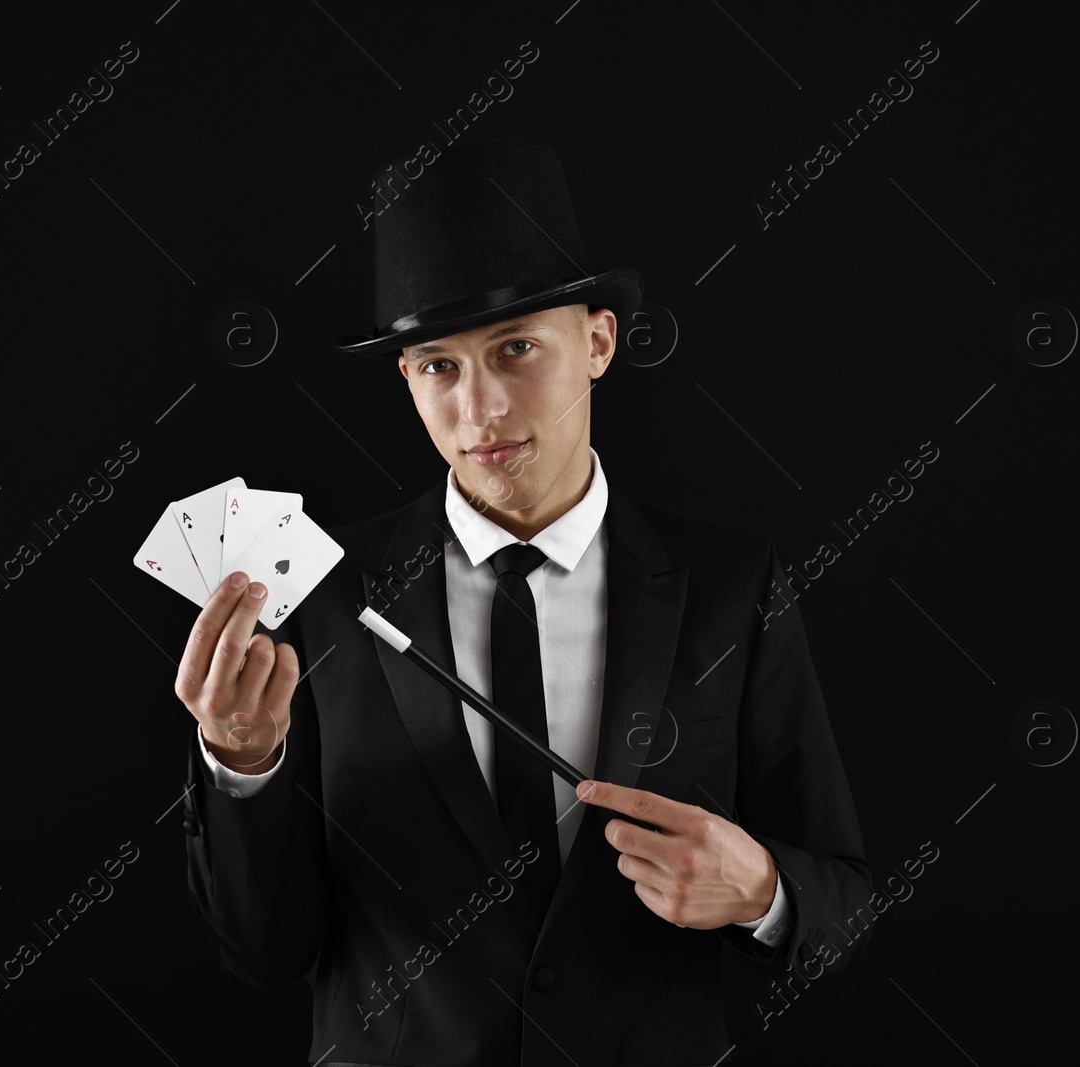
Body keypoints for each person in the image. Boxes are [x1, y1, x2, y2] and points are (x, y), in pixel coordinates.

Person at [174, 140, 873, 1066]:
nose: (482, 410)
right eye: (438, 367)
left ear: (597, 342)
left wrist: (764, 891)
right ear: (407, 379)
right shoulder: (323, 594)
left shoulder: (732, 587)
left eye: (515, 349)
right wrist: (240, 763)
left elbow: (846, 907)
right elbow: (265, 951)